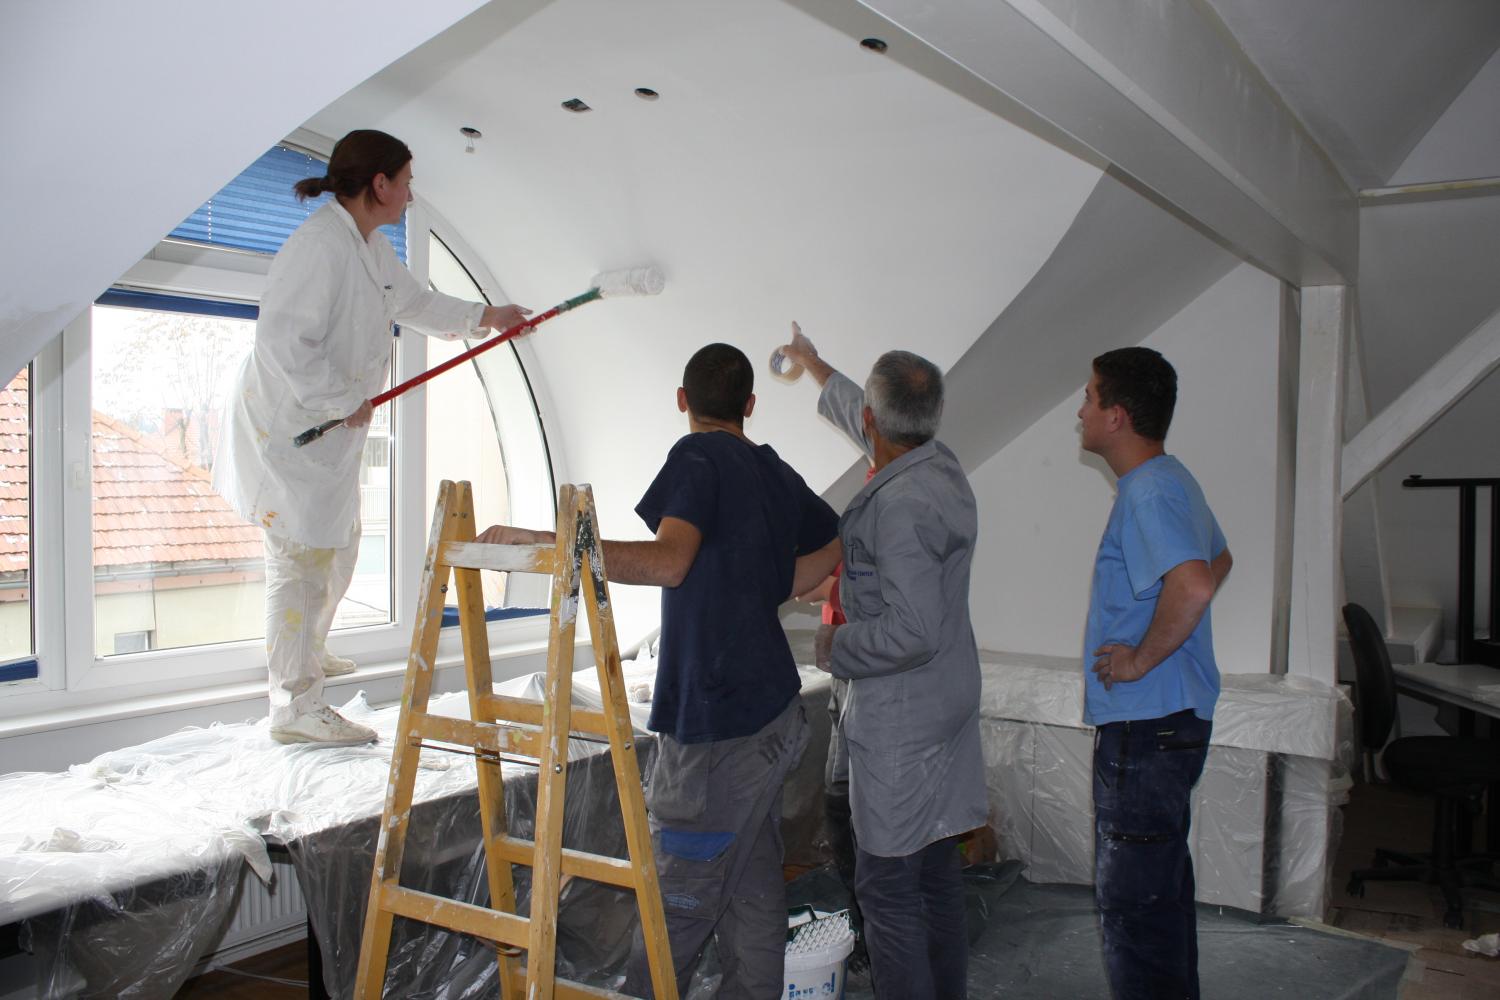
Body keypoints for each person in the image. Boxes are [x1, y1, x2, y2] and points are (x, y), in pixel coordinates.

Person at [479, 343, 841, 999]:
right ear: (750, 405)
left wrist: (553, 544)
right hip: (773, 714)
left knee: (678, 902)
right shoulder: (769, 468)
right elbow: (833, 540)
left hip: (720, 726)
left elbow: (670, 562)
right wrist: (772, 585)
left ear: (683, 401)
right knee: (753, 889)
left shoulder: (697, 456)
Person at [214, 129, 530, 747]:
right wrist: (342, 400)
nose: (410, 194)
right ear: (379, 184)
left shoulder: (369, 246)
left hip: (328, 433)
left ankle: (309, 650)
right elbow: (282, 343)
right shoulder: (318, 247)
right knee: (300, 562)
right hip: (290, 432)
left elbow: (414, 303)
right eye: (406, 182)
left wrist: (487, 318)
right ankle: (294, 705)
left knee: (339, 547)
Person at [778, 325, 987, 1000]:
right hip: (943, 696)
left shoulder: (899, 507)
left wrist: (835, 647)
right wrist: (814, 365)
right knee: (935, 871)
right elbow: (864, 414)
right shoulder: (937, 463)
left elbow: (912, 630)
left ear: (875, 419)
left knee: (889, 887)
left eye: (865, 413)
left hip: (903, 715)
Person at [1076, 347, 1232, 1000]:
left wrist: (1139, 658)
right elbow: (1220, 560)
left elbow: (1194, 583)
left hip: (1147, 728)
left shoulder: (1147, 490)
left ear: (1116, 416)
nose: (1080, 411)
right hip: (1171, 722)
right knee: (1160, 901)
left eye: (1089, 397)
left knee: (1134, 913)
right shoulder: (1172, 479)